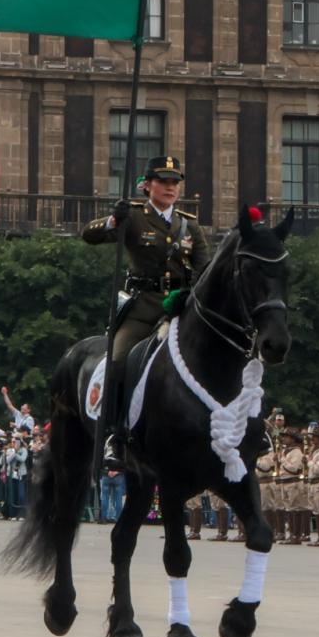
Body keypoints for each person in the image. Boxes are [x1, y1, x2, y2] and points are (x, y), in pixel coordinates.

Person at [81, 153, 206, 469]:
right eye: (163, 182)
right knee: (118, 361)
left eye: (175, 182)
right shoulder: (135, 217)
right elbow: (89, 235)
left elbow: (204, 271)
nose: (170, 187)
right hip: (142, 309)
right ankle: (114, 435)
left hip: (180, 310)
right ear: (147, 186)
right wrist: (114, 220)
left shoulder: (190, 226)